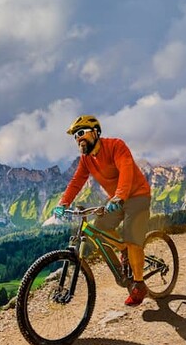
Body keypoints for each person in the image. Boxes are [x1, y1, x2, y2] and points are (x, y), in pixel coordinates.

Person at [52, 115, 153, 306]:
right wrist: (62, 203)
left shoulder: (116, 145)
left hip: (137, 195)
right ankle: (123, 254)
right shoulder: (86, 159)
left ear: (96, 132)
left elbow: (126, 170)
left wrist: (120, 195)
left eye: (81, 133)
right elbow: (76, 182)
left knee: (132, 238)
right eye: (75, 136)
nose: (78, 138)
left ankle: (139, 285)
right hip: (116, 199)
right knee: (98, 227)